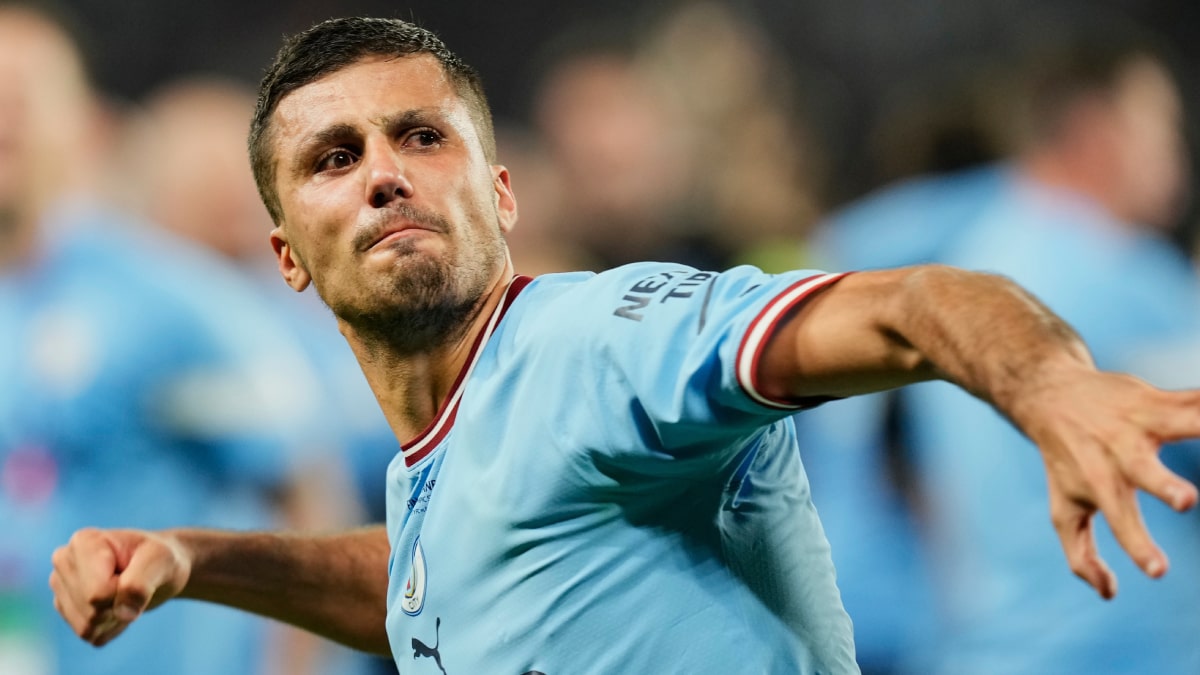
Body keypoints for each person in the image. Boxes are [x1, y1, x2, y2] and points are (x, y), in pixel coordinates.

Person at [47, 16, 1200, 674]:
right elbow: (420, 576)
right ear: (287, 253)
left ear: (501, 194)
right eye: (333, 158)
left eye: (419, 135)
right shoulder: (444, 467)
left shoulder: (595, 347)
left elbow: (914, 302)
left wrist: (1055, 385)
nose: (385, 170)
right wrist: (197, 559)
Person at [811, 28, 1200, 673]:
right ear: (1097, 134)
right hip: (1126, 645)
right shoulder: (1122, 272)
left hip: (981, 646)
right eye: (1162, 129)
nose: (1178, 156)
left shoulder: (963, 268)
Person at [0, 3, 351, 674]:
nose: (1, 121)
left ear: (85, 123)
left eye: (21, 98)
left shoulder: (171, 302)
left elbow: (307, 487)